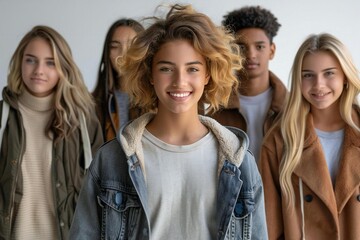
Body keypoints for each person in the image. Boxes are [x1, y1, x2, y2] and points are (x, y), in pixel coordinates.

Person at [70, 4, 267, 239]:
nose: (179, 81)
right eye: (166, 69)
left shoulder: (240, 161)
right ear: (150, 74)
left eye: (192, 69)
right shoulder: (112, 160)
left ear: (208, 74)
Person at [0, 25, 103, 239]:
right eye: (30, 60)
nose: (39, 70)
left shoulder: (83, 121)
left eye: (50, 62)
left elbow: (100, 189)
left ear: (63, 68)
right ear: (20, 62)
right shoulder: (2, 116)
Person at [259, 33, 360, 239]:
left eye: (329, 73)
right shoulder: (279, 140)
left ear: (345, 75)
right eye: (308, 75)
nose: (318, 85)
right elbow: (268, 227)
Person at [209, 6, 288, 164]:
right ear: (231, 51)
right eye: (242, 47)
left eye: (259, 47)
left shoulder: (292, 106)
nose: (251, 55)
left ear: (272, 51)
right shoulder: (214, 108)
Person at [92, 18, 145, 141]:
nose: (123, 53)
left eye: (132, 45)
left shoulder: (157, 101)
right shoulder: (92, 105)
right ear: (107, 53)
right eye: (115, 46)